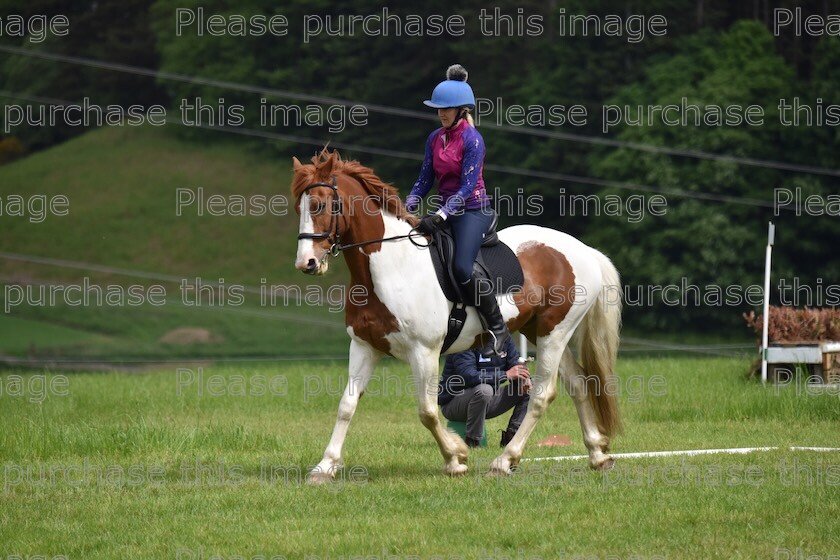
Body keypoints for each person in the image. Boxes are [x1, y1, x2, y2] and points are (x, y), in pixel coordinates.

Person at [406, 63, 512, 356]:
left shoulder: (472, 139)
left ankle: (498, 329)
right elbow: (425, 178)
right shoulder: (434, 138)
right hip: (446, 209)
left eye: (447, 108)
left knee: (462, 266)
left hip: (472, 211)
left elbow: (466, 189)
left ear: (461, 110)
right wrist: (406, 206)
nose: (441, 113)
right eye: (438, 108)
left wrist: (439, 215)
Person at [438, 337, 531, 448]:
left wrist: (523, 380)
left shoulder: (504, 338)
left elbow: (513, 364)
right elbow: (469, 376)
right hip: (453, 402)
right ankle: (472, 441)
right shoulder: (465, 339)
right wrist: (505, 375)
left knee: (531, 389)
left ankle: (512, 438)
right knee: (484, 390)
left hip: (486, 399)